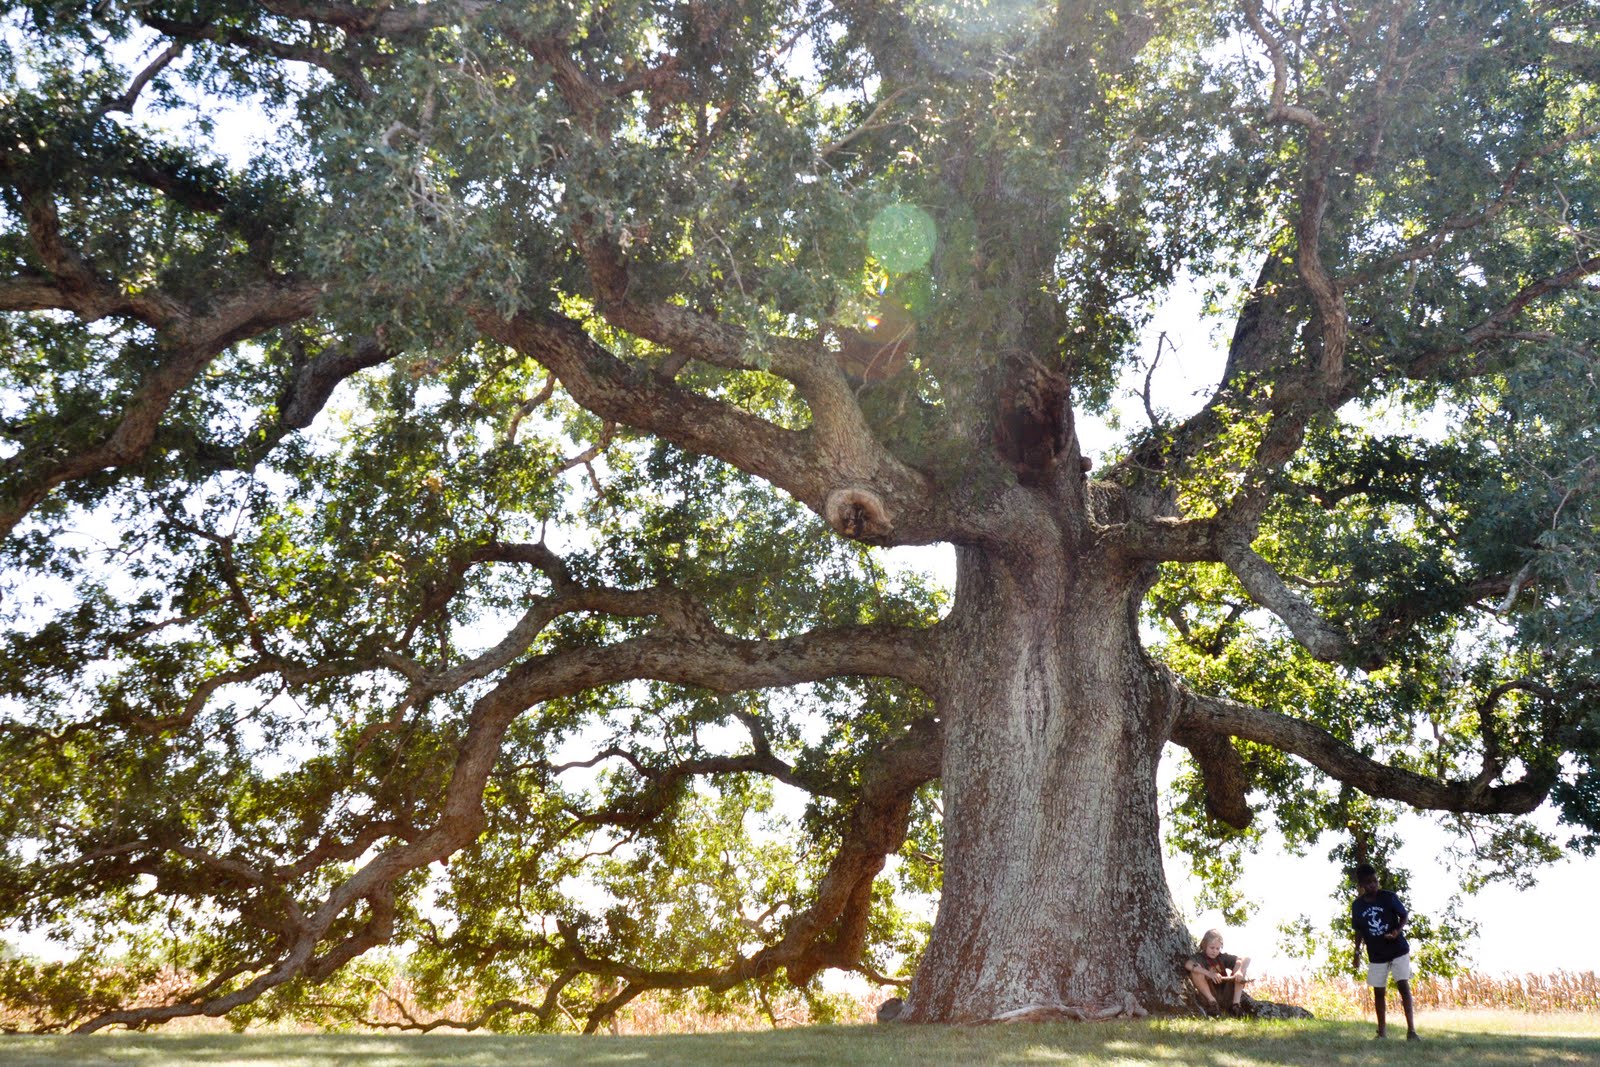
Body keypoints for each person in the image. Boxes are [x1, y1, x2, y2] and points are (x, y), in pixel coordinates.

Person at [1351, 863, 1419, 1040]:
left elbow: (1403, 915)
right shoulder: (1357, 906)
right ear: (1362, 886)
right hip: (1377, 955)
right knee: (1379, 992)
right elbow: (1358, 931)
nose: (1373, 885)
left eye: (1375, 881)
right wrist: (1356, 953)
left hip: (1398, 950)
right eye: (1368, 882)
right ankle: (1381, 1033)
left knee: (1403, 986)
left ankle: (1411, 1031)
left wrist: (1396, 931)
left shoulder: (1388, 897)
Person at [1184, 928, 1251, 1017]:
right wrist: (1209, 974)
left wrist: (1239, 972)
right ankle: (1213, 1004)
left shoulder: (1222, 957)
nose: (1214, 951)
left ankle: (1236, 1005)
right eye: (1212, 947)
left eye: (1218, 948)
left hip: (1226, 994)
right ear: (1204, 945)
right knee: (1196, 970)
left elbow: (1246, 959)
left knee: (1240, 964)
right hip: (1210, 994)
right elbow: (1188, 965)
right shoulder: (1199, 957)